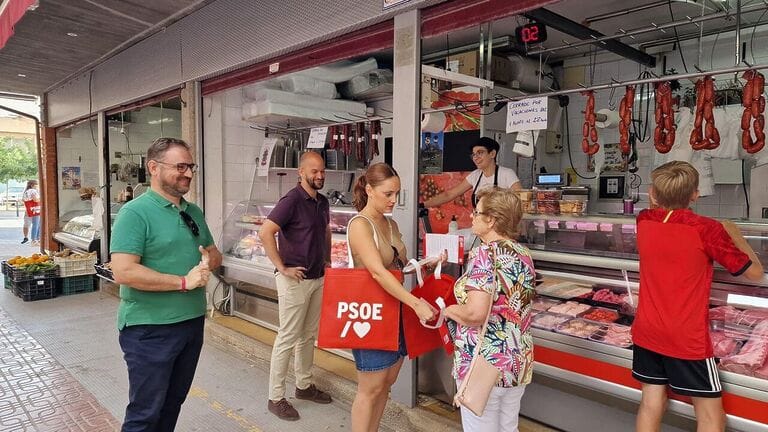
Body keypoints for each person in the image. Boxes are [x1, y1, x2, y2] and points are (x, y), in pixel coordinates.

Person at [632, 161, 763, 432]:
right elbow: (755, 273)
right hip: (686, 338)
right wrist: (736, 235)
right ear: (695, 194)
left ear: (652, 194)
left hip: (647, 331)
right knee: (711, 416)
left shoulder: (644, 220)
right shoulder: (707, 229)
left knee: (651, 402)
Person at [110, 137, 223, 432]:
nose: (187, 173)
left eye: (191, 167)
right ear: (154, 168)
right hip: (149, 330)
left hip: (190, 325)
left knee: (173, 403)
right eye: (180, 166)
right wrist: (184, 282)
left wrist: (208, 260)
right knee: (145, 413)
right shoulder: (135, 213)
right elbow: (123, 271)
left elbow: (214, 255)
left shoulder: (192, 211)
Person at [347, 162, 437, 432]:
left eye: (396, 193)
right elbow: (377, 272)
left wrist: (423, 264)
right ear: (369, 189)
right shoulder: (359, 225)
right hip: (371, 314)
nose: (394, 200)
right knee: (370, 389)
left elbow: (398, 266)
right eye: (388, 194)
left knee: (386, 384)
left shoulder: (391, 223)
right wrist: (416, 303)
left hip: (395, 311)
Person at [444, 187, 536, 432]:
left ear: (491, 220)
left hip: (485, 360)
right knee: (508, 428)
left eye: (477, 212)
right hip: (517, 360)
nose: (472, 216)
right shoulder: (523, 253)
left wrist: (447, 310)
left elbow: (475, 314)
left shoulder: (484, 254)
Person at [259, 151, 334, 421]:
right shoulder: (291, 200)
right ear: (300, 173)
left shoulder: (322, 202)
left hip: (317, 277)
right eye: (314, 171)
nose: (320, 175)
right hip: (294, 280)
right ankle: (275, 397)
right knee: (287, 337)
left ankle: (304, 386)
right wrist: (282, 267)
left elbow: (325, 231)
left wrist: (327, 259)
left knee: (307, 335)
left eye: (322, 171)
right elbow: (265, 231)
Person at [423, 137, 522, 209]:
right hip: (481, 227)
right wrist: (423, 205)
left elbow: (520, 200)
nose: (475, 157)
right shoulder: (475, 175)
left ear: (492, 154)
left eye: (480, 153)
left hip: (502, 228)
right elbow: (449, 194)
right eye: (473, 154)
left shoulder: (507, 174)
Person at [21, 180, 41, 245]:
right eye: (36, 184)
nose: (37, 186)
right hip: (36, 210)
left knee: (35, 224)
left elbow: (23, 200)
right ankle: (34, 240)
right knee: (36, 224)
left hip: (29, 210)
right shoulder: (33, 191)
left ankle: (35, 239)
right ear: (32, 185)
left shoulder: (26, 191)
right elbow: (35, 199)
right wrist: (41, 199)